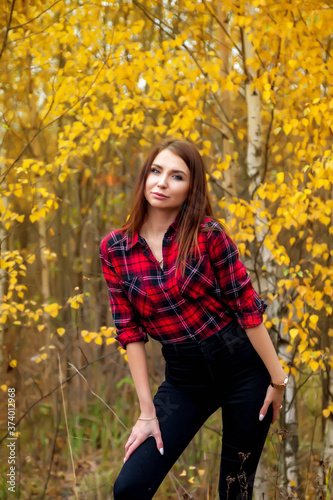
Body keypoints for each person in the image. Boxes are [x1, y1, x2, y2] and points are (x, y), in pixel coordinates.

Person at [100, 139, 287, 500]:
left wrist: (277, 381)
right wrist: (146, 412)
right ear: (144, 177)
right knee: (130, 487)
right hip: (185, 380)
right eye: (156, 171)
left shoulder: (208, 236)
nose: (162, 182)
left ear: (191, 189)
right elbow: (130, 332)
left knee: (235, 492)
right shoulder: (115, 249)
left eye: (176, 176)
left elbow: (248, 312)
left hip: (244, 371)